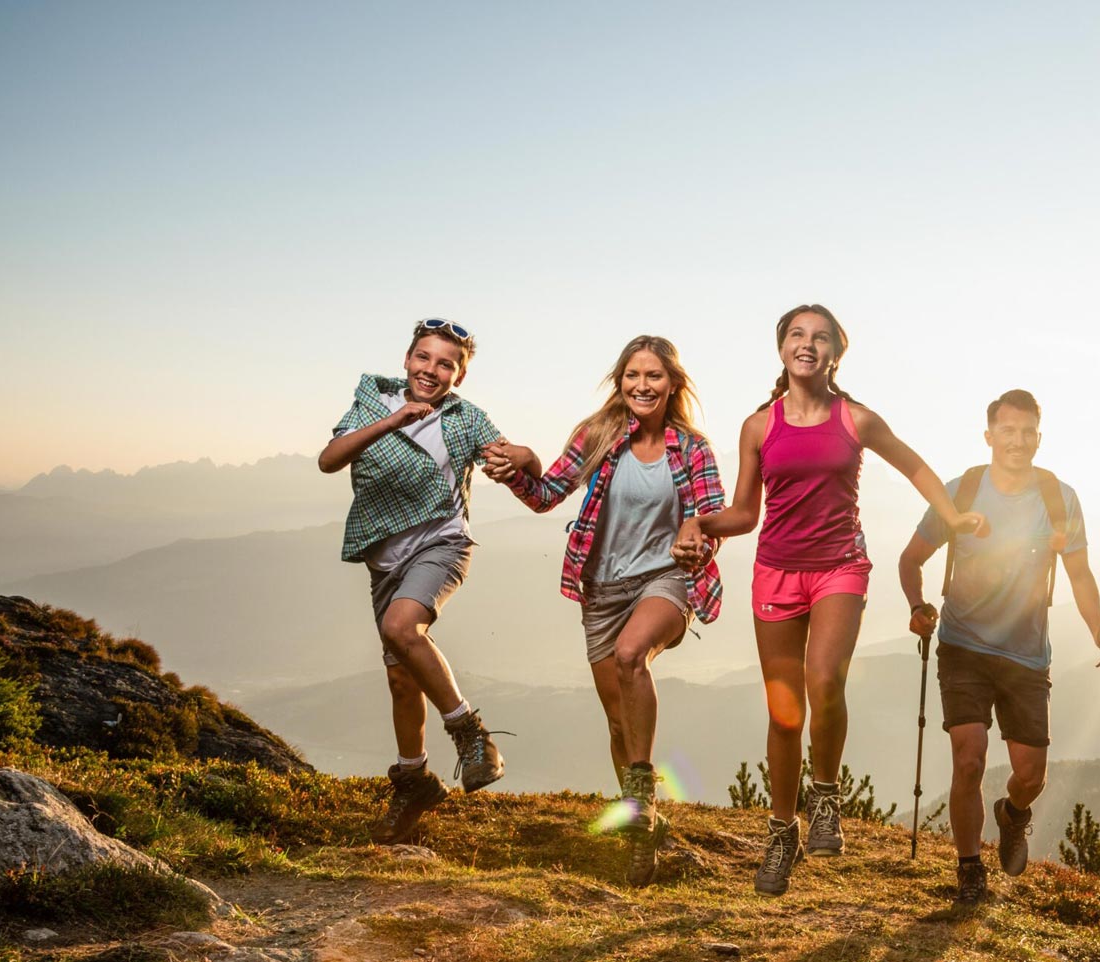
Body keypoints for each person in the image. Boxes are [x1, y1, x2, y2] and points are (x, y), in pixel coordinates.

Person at [675, 304, 986, 896]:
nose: (807, 344)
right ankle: (780, 832)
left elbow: (915, 466)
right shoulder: (759, 426)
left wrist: (953, 518)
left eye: (821, 338)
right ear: (782, 348)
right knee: (783, 708)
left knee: (825, 682)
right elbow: (744, 513)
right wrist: (699, 523)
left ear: (836, 354)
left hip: (840, 568)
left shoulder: (857, 419)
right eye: (797, 334)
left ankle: (825, 797)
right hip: (775, 573)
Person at [479, 336, 726, 886]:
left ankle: (644, 803)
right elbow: (546, 495)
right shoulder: (596, 436)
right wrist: (521, 464)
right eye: (633, 375)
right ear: (620, 381)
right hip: (602, 588)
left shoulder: (693, 449)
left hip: (666, 580)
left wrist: (698, 544)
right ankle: (640, 820)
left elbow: (712, 520)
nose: (642, 385)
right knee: (618, 721)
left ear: (673, 384)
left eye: (654, 376)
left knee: (632, 655)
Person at [897, 389, 1100, 905]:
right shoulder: (961, 491)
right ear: (989, 436)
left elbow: (1080, 574)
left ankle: (1012, 814)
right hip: (963, 645)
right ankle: (969, 869)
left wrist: (1098, 632)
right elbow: (910, 559)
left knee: (1030, 775)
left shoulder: (1059, 499)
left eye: (1027, 433)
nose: (1017, 441)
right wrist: (917, 606)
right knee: (969, 759)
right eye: (1008, 431)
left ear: (1039, 438)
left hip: (1026, 653)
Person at [318, 318, 526, 844]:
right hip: (383, 558)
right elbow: (329, 460)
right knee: (399, 676)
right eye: (424, 358)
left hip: (442, 544)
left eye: (445, 364)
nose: (431, 370)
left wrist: (520, 459)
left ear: (458, 375)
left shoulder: (465, 418)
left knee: (403, 626)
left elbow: (520, 459)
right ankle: (414, 780)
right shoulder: (371, 401)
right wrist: (394, 422)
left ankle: (472, 737)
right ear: (407, 360)